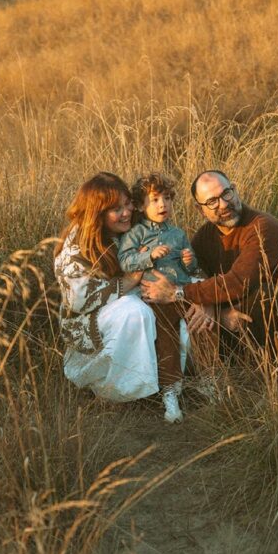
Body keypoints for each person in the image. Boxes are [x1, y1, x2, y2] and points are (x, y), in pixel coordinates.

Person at [140, 169, 278, 365]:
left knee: (261, 295)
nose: (223, 204)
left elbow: (239, 283)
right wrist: (212, 307)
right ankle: (190, 376)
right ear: (200, 209)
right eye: (212, 201)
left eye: (226, 193)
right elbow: (193, 275)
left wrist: (177, 293)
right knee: (192, 302)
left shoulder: (262, 227)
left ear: (235, 190)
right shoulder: (206, 236)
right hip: (247, 313)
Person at [53, 172, 188, 422]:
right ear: (97, 212)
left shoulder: (130, 227)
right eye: (116, 209)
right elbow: (78, 300)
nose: (126, 212)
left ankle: (164, 380)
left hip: (125, 299)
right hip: (88, 320)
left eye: (127, 204)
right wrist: (130, 281)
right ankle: (115, 392)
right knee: (134, 312)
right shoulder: (76, 247)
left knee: (166, 302)